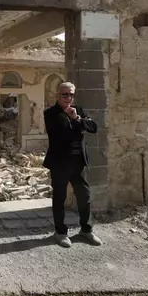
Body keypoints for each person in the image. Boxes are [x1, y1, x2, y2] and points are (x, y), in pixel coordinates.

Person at [42, 82, 102, 248]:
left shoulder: (79, 111)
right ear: (57, 95)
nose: (68, 98)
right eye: (64, 94)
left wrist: (76, 119)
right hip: (60, 163)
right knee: (60, 197)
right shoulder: (50, 113)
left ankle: (86, 230)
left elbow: (94, 128)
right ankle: (60, 232)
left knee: (84, 196)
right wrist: (79, 126)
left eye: (71, 95)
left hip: (78, 162)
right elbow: (61, 135)